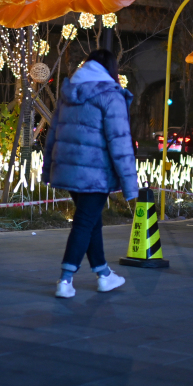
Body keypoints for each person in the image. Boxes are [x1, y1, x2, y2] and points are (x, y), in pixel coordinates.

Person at [42, 48, 137, 299]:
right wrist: (130, 184)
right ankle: (65, 279)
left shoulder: (69, 92)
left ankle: (103, 274)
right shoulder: (110, 95)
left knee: (91, 220)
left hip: (68, 168)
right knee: (85, 221)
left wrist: (48, 169)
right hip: (96, 172)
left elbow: (53, 133)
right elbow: (120, 142)